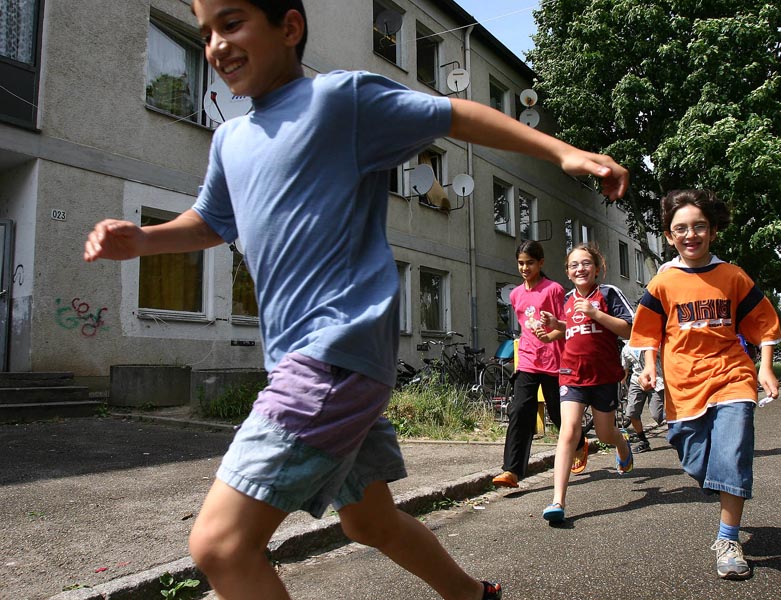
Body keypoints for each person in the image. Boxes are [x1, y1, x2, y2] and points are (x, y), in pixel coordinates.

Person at [83, 2, 629, 598]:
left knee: (219, 545)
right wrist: (145, 238)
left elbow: (451, 114)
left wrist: (560, 152)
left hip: (334, 355)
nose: (215, 45)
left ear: (289, 28)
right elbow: (212, 220)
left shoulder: (339, 101)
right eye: (206, 31)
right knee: (367, 520)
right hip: (308, 359)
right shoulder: (230, 138)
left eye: (232, 23)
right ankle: (474, 596)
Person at [629, 189, 781, 581]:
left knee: (731, 452)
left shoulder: (732, 276)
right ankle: (722, 482)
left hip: (733, 373)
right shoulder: (663, 282)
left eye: (699, 226)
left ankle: (728, 539)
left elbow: (763, 323)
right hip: (683, 384)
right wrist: (650, 366)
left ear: (712, 231)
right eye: (681, 228)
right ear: (668, 235)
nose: (690, 234)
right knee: (698, 461)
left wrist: (764, 367)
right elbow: (648, 331)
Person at [536, 243, 634, 523]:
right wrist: (554, 327)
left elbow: (629, 328)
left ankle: (621, 444)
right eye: (574, 265)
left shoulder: (608, 294)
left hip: (603, 375)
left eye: (586, 263)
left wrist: (595, 313)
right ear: (567, 271)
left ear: (597, 267)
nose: (580, 269)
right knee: (568, 431)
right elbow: (570, 330)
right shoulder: (566, 299)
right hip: (571, 373)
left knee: (605, 434)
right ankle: (558, 501)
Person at [492, 241, 589, 489]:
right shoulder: (515, 294)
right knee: (519, 411)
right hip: (527, 360)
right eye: (521, 263)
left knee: (558, 414)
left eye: (530, 263)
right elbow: (526, 327)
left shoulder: (553, 290)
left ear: (541, 263)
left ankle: (579, 444)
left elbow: (566, 326)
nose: (525, 267)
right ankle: (511, 471)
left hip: (554, 362)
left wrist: (550, 335)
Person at [620, 339, 665, 453]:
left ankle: (678, 429)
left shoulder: (651, 343)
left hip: (656, 380)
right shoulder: (626, 348)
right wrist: (621, 386)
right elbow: (624, 368)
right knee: (632, 413)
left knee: (657, 415)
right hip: (637, 380)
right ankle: (643, 441)